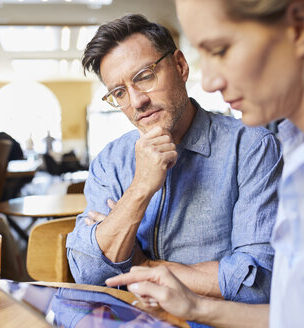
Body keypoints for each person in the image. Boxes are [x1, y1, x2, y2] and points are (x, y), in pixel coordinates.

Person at [106, 1, 304, 327]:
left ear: (300, 27)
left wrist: (152, 265)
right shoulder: (302, 148)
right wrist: (197, 308)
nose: (210, 81)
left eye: (221, 50)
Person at [66, 14, 283, 303]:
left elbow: (259, 282)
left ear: (180, 66)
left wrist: (144, 267)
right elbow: (89, 273)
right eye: (119, 93)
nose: (136, 102)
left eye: (144, 76)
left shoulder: (252, 148)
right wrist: (140, 188)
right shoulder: (110, 160)